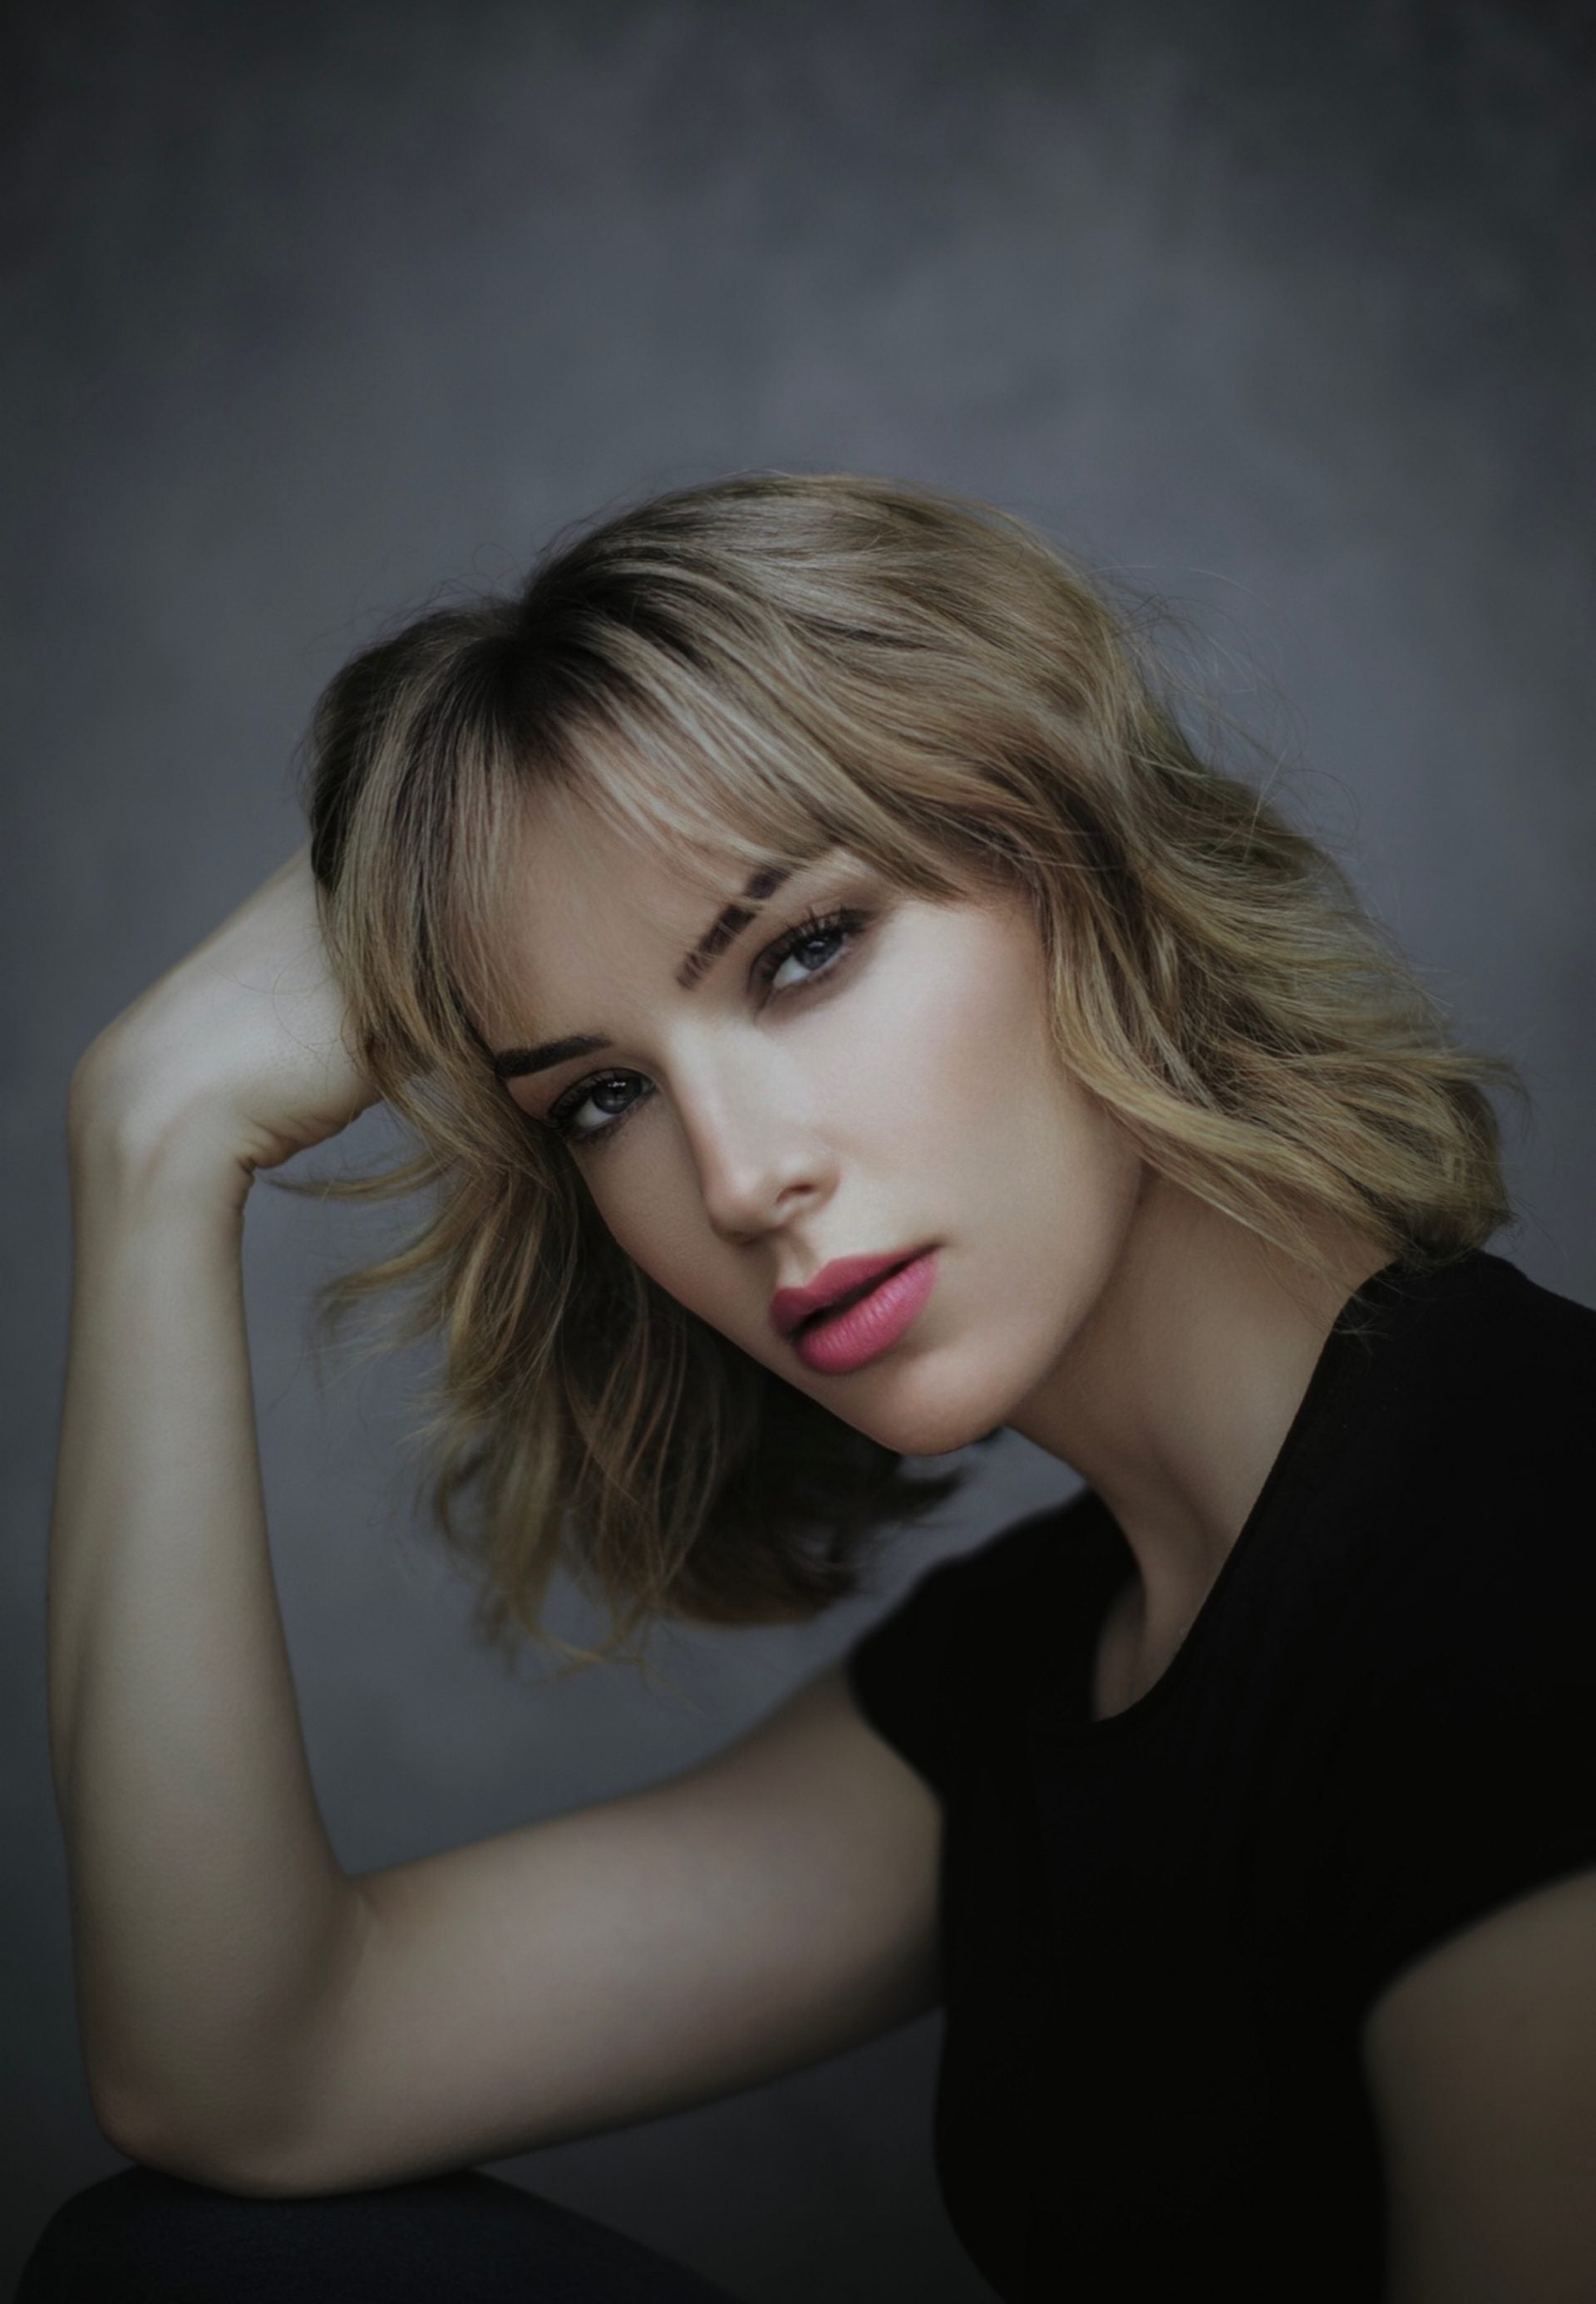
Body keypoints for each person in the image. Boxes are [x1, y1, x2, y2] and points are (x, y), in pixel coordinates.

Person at [24, 473, 1595, 2304]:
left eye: (804, 951)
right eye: (603, 1096)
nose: (737, 1176)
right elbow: (251, 2075)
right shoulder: (1048, 1656)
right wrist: (151, 1141)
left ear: (1082, 857)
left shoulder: (1535, 1544)